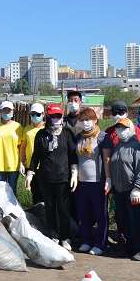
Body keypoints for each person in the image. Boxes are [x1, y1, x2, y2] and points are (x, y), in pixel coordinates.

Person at [26, 104, 77, 251]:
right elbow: (36, 156)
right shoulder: (41, 135)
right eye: (52, 116)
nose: (55, 119)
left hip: (63, 177)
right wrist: (30, 173)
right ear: (47, 117)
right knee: (49, 207)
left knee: (63, 208)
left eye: (58, 116)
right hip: (46, 177)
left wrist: (74, 172)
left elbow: (72, 155)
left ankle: (65, 237)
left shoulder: (67, 134)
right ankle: (53, 235)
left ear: (62, 117)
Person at [105, 117, 140, 261]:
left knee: (136, 221)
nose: (120, 130)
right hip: (119, 190)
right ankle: (129, 248)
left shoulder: (136, 147)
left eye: (124, 127)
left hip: (132, 190)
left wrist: (137, 188)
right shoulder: (117, 147)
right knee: (124, 221)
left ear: (130, 129)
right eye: (118, 127)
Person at [74, 107, 112, 255]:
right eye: (82, 120)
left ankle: (100, 243)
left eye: (88, 119)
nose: (85, 123)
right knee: (84, 213)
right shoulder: (79, 138)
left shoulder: (103, 137)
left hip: (98, 182)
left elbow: (107, 160)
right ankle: (86, 240)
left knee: (100, 213)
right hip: (81, 182)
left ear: (95, 120)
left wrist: (108, 179)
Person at [0, 101, 24, 192]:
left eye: (9, 110)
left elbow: (21, 147)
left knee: (12, 190)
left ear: (13, 111)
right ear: (0, 112)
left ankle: (12, 207)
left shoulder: (18, 127)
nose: (6, 112)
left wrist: (21, 163)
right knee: (0, 192)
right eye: (4, 110)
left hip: (13, 164)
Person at [21, 103, 46, 204]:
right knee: (34, 193)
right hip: (30, 166)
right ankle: (37, 215)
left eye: (38, 114)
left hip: (43, 166)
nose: (35, 116)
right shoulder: (27, 129)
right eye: (33, 114)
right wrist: (21, 163)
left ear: (43, 114)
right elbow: (23, 147)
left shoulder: (46, 128)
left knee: (44, 193)